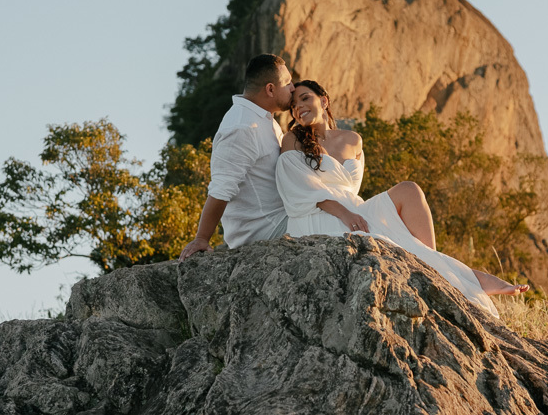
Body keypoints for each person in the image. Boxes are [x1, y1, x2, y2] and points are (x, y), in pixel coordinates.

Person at [275, 80, 529, 317]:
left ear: (324, 101)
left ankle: (434, 265)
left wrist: (354, 211)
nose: (299, 108)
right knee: (377, 236)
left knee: (409, 189)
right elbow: (300, 188)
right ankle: (465, 276)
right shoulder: (293, 140)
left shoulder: (353, 140)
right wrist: (345, 214)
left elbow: (350, 189)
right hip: (321, 214)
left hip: (355, 208)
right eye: (294, 106)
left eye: (305, 98)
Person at [179, 54, 296, 261]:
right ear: (270, 89)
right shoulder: (242, 127)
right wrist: (202, 238)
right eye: (287, 83)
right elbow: (221, 188)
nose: (293, 88)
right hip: (264, 230)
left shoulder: (265, 119)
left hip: (281, 217)